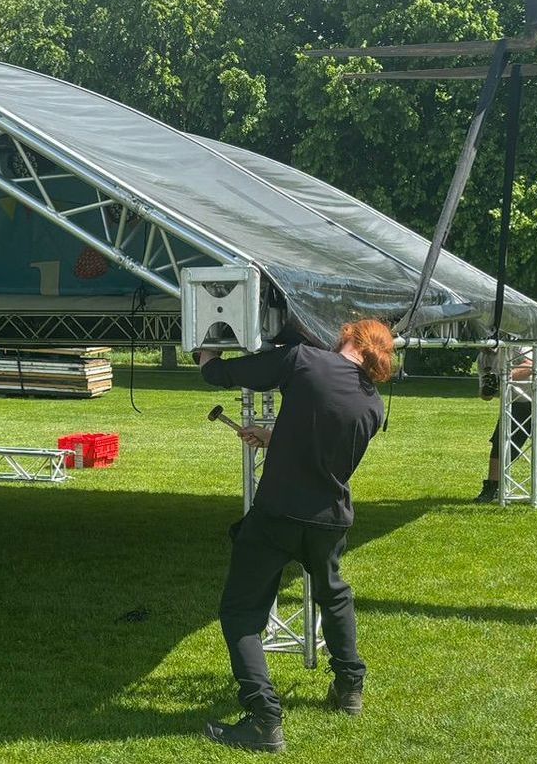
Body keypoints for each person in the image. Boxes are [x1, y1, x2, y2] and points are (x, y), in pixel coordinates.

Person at [195, 318, 395, 754]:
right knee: (334, 595)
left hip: (279, 515)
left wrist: (206, 352)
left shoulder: (303, 359)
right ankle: (349, 688)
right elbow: (323, 447)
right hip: (329, 519)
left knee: (241, 612)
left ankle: (265, 719)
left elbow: (222, 374)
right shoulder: (375, 405)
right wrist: (275, 438)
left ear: (347, 337)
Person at [473, 349, 537, 507]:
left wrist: (500, 378)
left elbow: (531, 365)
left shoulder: (516, 345)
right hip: (516, 398)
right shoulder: (483, 359)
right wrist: (488, 390)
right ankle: (492, 488)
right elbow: (485, 395)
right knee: (501, 442)